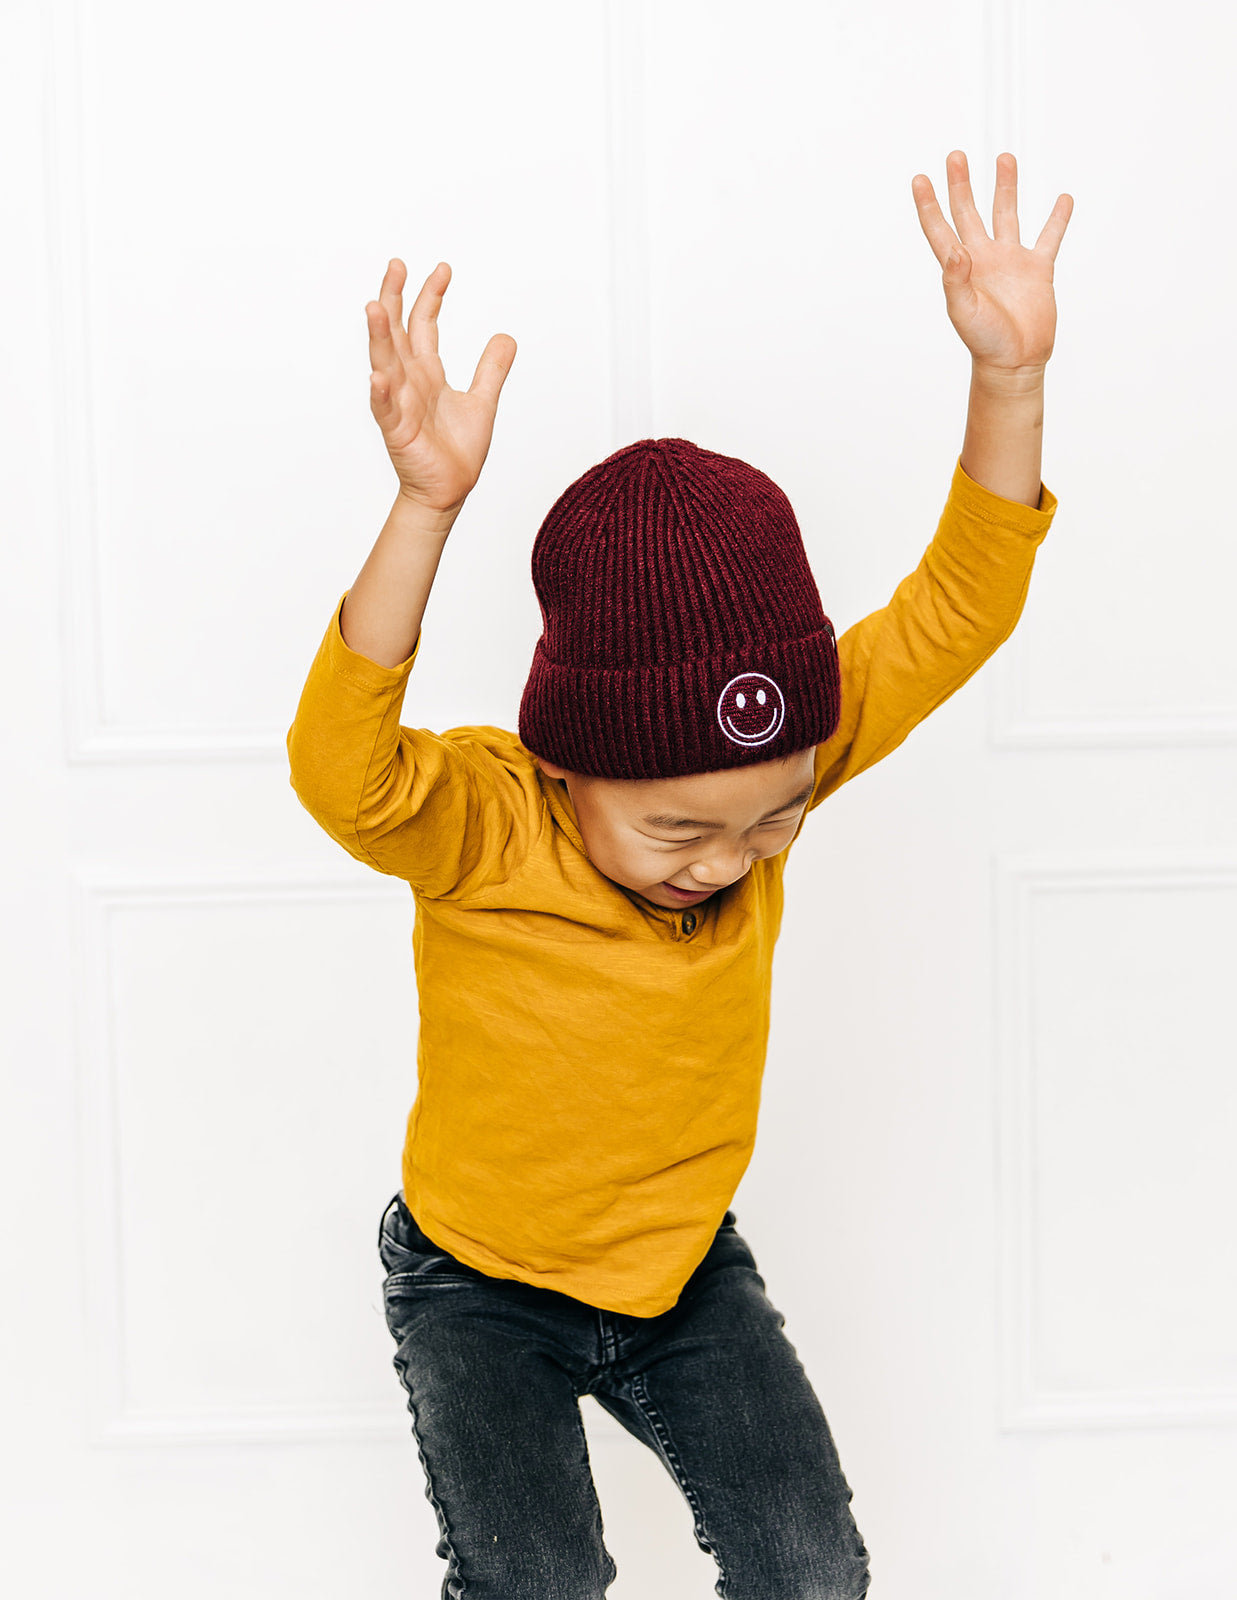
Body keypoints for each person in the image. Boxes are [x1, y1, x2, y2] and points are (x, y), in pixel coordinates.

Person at [286, 149, 1072, 1599]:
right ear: (574, 762)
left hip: (678, 1274)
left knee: (808, 1569)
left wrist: (1008, 381)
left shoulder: (777, 772)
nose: (727, 862)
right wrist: (423, 511)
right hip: (477, 1285)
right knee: (537, 1582)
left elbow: (961, 605)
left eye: (771, 823)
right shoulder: (482, 820)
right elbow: (339, 768)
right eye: (678, 831)